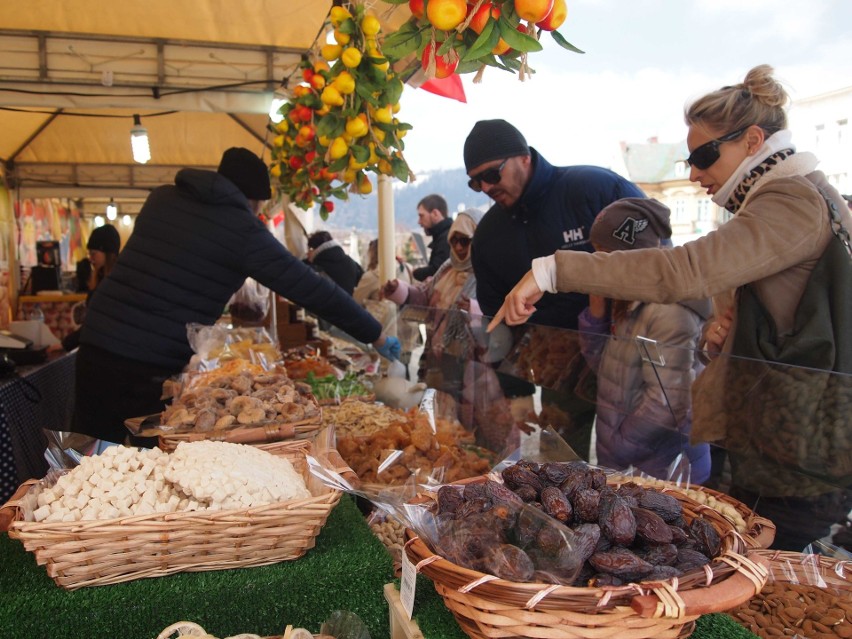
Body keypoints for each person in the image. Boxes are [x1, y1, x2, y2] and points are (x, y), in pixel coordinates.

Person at [488, 65, 852, 551]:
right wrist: (731, 327)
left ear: (753, 140)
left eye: (704, 155)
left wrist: (555, 269)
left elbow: (682, 271)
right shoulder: (798, 195)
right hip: (786, 432)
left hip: (798, 445)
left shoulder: (789, 199)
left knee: (765, 575)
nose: (694, 172)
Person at [74, 147, 400, 446]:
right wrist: (376, 333)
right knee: (143, 464)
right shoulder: (242, 230)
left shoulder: (160, 199)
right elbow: (312, 289)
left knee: (84, 455)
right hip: (148, 361)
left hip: (96, 340)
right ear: (255, 200)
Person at [464, 118, 645, 459]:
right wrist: (515, 392)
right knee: (561, 467)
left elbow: (656, 254)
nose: (486, 188)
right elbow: (496, 321)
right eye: (475, 183)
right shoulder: (488, 237)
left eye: (491, 174)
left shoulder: (595, 189)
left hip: (628, 360)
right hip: (560, 373)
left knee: (635, 471)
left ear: (524, 158)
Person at [577, 198, 711, 483]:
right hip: (633, 464)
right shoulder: (628, 298)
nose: (598, 264)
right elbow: (608, 369)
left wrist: (618, 446)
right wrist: (596, 317)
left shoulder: (668, 310)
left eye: (605, 255)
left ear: (632, 256)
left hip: (665, 471)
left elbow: (668, 401)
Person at [383, 210, 497, 435]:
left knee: (472, 422)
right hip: (440, 359)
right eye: (454, 241)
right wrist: (399, 290)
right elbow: (425, 295)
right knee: (441, 418)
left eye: (465, 240)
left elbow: (502, 310)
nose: (459, 247)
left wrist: (474, 309)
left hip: (475, 364)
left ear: (479, 238)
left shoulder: (492, 268)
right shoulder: (447, 267)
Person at [60, 224, 121, 352]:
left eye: (93, 254)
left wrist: (65, 344)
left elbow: (96, 323)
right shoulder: (103, 277)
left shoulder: (112, 284)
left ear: (106, 252)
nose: (91, 259)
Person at [304, 230, 363, 296]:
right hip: (349, 303)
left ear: (316, 249)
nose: (307, 253)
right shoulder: (350, 261)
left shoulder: (317, 267)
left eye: (310, 249)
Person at [412, 194, 452, 282]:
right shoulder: (444, 236)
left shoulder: (447, 238)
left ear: (435, 214)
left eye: (421, 216)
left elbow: (438, 271)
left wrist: (415, 272)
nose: (419, 222)